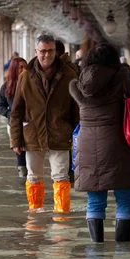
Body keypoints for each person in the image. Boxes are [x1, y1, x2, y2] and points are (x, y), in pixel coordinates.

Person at [69, 44, 130, 243]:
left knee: (95, 201)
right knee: (125, 198)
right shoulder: (122, 78)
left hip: (87, 144)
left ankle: (96, 255)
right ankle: (124, 255)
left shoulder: (81, 81)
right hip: (117, 141)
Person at [10, 34, 80, 213]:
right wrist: (16, 141)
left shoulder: (69, 74)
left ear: (55, 52)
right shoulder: (25, 77)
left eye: (50, 51)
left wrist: (76, 135)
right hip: (33, 134)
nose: (46, 55)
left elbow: (76, 110)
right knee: (33, 177)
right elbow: (16, 111)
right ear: (36, 51)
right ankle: (35, 213)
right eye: (43, 51)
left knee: (61, 176)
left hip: (60, 132)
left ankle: (62, 216)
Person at [0, 57, 28, 177]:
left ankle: (30, 181)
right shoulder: (6, 87)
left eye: (26, 67)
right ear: (14, 69)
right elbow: (0, 106)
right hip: (14, 124)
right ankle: (22, 178)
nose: (24, 70)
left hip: (29, 123)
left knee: (30, 151)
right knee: (19, 151)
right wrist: (11, 115)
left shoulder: (32, 85)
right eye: (21, 67)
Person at [55, 40, 80, 183]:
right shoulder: (71, 68)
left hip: (66, 118)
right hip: (68, 118)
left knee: (66, 158)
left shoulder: (67, 70)